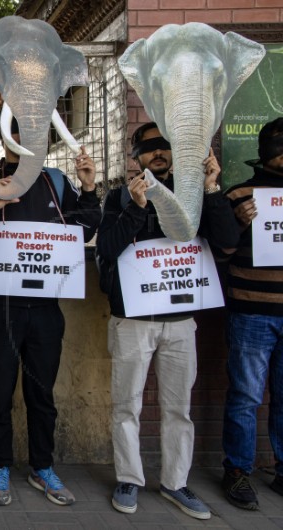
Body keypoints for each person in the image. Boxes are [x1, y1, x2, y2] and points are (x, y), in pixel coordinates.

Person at [96, 122, 239, 520]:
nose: (158, 154)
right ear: (136, 156)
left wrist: (211, 189)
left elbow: (227, 241)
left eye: (165, 147)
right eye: (149, 148)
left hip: (180, 321)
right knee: (127, 404)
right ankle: (129, 478)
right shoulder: (119, 198)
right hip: (133, 321)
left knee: (179, 406)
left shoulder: (192, 195)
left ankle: (176, 483)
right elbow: (106, 249)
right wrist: (135, 209)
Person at [0, 118, 99, 507]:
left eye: (33, 132)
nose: (24, 139)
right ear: (6, 137)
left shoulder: (57, 181)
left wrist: (89, 188)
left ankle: (42, 467)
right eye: (17, 131)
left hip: (45, 310)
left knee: (42, 394)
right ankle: (1, 469)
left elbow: (87, 229)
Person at [220, 117, 283, 511]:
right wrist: (237, 225)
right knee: (245, 395)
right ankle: (238, 470)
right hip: (252, 313)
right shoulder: (240, 194)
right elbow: (222, 250)